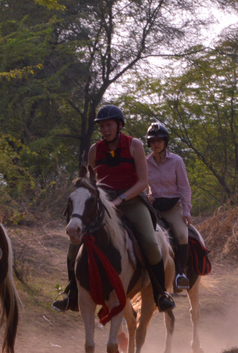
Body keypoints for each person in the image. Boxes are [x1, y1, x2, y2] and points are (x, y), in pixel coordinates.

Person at [53, 105, 176, 313]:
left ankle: (160, 292)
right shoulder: (95, 150)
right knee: (74, 244)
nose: (105, 129)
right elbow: (89, 182)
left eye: (109, 125)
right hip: (102, 205)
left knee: (149, 241)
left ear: (119, 125)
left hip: (133, 201)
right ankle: (72, 292)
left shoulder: (134, 146)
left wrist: (120, 199)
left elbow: (143, 182)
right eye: (102, 126)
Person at [145, 122, 193, 290]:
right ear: (149, 143)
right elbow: (142, 184)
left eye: (159, 140)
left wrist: (186, 211)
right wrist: (147, 196)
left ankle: (180, 273)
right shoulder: (145, 162)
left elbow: (184, 187)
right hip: (154, 207)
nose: (156, 144)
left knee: (181, 234)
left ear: (165, 142)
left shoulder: (176, 161)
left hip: (173, 206)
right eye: (153, 141)